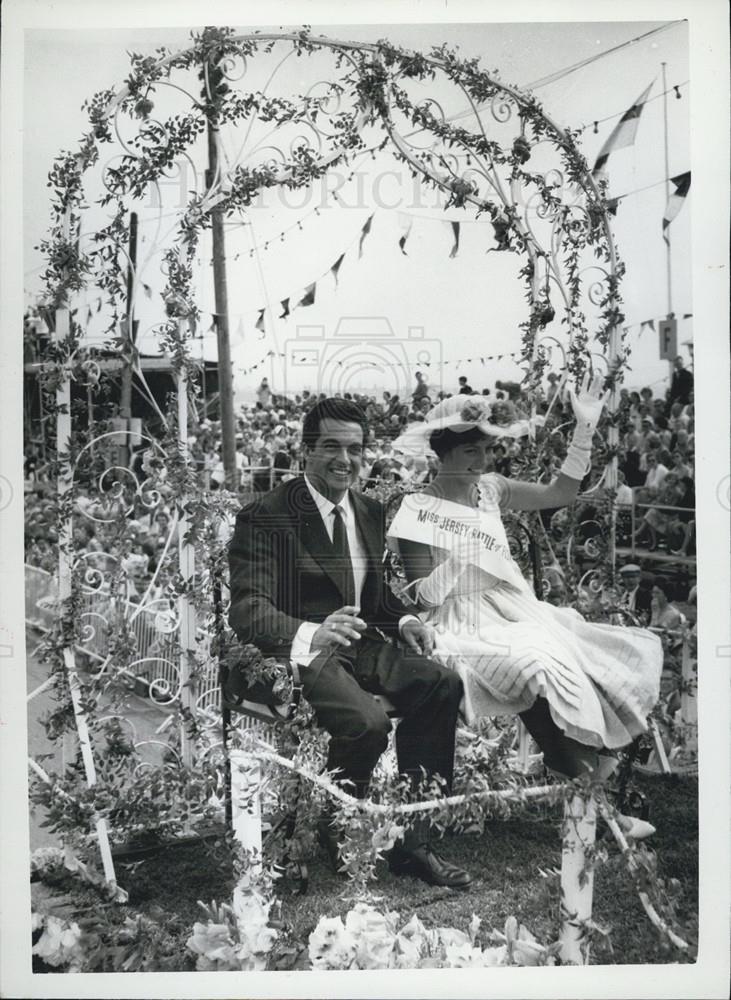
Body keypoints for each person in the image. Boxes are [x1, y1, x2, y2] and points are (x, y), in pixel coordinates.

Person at [388, 381, 662, 838]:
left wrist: (584, 431)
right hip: (458, 621)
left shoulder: (490, 490)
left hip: (513, 609)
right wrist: (458, 560)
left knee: (589, 655)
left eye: (486, 450)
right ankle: (593, 809)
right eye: (471, 451)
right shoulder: (417, 508)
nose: (482, 461)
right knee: (536, 666)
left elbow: (561, 493)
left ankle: (588, 799)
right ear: (442, 452)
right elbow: (423, 599)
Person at [228, 397, 471, 888]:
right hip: (299, 653)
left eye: (355, 449)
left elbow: (375, 599)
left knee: (442, 684)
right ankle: (338, 825)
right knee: (368, 723)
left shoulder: (369, 511)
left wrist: (405, 621)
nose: (345, 460)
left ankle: (413, 843)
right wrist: (310, 631)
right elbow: (247, 608)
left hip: (359, 645)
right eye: (331, 447)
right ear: (306, 451)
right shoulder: (267, 515)